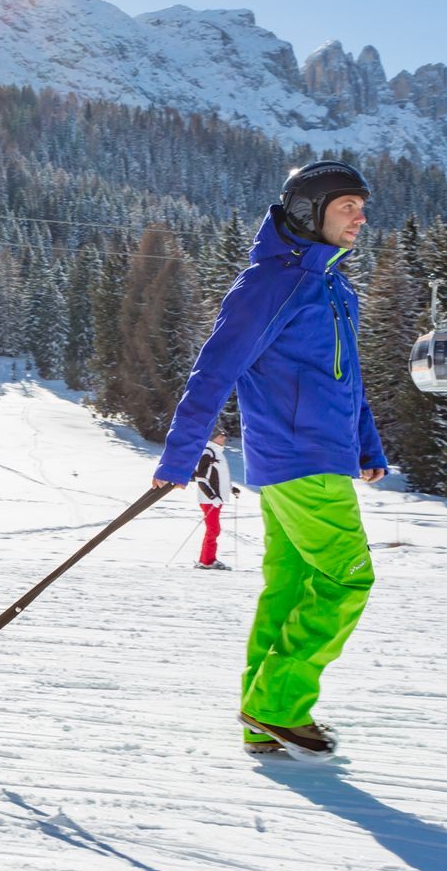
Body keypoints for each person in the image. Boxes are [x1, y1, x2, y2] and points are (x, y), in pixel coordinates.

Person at [152, 160, 389, 759]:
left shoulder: (333, 287)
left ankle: (262, 718)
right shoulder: (270, 283)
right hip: (297, 456)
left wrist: (367, 444)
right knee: (347, 577)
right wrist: (181, 455)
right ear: (311, 213)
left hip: (315, 456)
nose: (361, 218)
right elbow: (216, 368)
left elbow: (348, 380)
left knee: (290, 587)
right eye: (347, 207)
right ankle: (278, 704)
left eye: (362, 206)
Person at [193, 429, 240, 570]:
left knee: (213, 529)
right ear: (213, 437)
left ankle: (205, 560)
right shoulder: (208, 452)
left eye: (225, 435)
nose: (224, 438)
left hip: (215, 499)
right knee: (213, 529)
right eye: (221, 436)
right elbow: (200, 478)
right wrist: (212, 496)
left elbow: (221, 477)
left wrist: (232, 489)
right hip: (209, 500)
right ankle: (208, 561)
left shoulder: (218, 452)